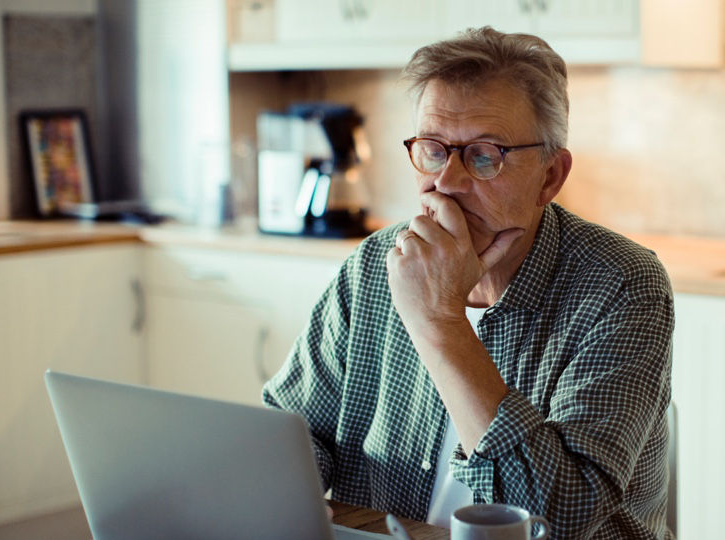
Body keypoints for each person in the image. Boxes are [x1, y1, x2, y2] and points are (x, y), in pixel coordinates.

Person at [263, 26, 675, 539]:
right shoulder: (372, 265)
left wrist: (439, 321)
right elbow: (295, 433)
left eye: (484, 155)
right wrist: (276, 492)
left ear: (550, 176)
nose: (448, 183)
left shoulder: (620, 284)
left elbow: (557, 522)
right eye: (434, 150)